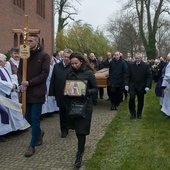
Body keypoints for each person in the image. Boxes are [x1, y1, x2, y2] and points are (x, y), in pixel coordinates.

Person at [17, 34, 50, 157]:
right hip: (26, 92)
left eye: (31, 40)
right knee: (26, 117)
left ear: (36, 42)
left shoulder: (44, 56)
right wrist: (21, 82)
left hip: (37, 92)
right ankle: (39, 133)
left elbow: (44, 74)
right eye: (27, 40)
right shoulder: (24, 54)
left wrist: (29, 83)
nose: (28, 42)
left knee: (35, 119)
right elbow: (20, 71)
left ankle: (32, 145)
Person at [64, 52, 98, 168]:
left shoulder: (88, 73)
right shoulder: (70, 73)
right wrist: (67, 92)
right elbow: (67, 87)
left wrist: (84, 92)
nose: (73, 65)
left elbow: (95, 89)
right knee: (76, 129)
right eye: (72, 63)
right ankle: (81, 147)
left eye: (76, 63)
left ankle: (79, 155)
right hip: (73, 105)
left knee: (81, 131)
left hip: (85, 106)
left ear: (81, 62)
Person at [0, 53, 30, 142]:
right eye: (4, 60)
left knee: (12, 112)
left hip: (9, 94)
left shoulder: (4, 69)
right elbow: (1, 83)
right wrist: (10, 86)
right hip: (2, 95)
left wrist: (14, 85)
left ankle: (14, 128)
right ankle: (2, 133)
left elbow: (12, 77)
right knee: (2, 114)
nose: (6, 62)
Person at [49, 48, 73, 138]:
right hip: (60, 93)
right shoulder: (56, 66)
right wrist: (52, 93)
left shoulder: (73, 66)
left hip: (70, 93)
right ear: (62, 57)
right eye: (65, 57)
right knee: (62, 112)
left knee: (69, 111)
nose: (66, 59)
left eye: (68, 57)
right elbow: (53, 80)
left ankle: (70, 125)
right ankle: (63, 129)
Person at [124, 52, 152, 119]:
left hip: (141, 85)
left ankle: (139, 114)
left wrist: (147, 86)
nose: (136, 59)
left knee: (140, 100)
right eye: (135, 58)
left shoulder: (145, 66)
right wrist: (126, 84)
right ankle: (132, 113)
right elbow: (127, 75)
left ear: (141, 58)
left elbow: (149, 76)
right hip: (132, 85)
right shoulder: (131, 65)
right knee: (131, 98)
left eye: (138, 58)